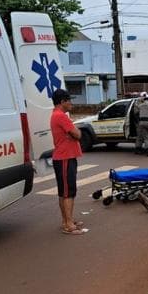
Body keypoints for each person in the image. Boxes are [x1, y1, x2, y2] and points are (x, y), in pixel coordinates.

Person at [50, 89, 88, 234]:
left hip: (64, 157)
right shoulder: (60, 116)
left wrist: (73, 132)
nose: (71, 103)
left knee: (64, 191)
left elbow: (74, 134)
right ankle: (68, 225)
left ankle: (67, 220)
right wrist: (75, 131)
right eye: (69, 100)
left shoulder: (57, 115)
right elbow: (77, 134)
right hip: (65, 157)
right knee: (68, 192)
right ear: (62, 102)